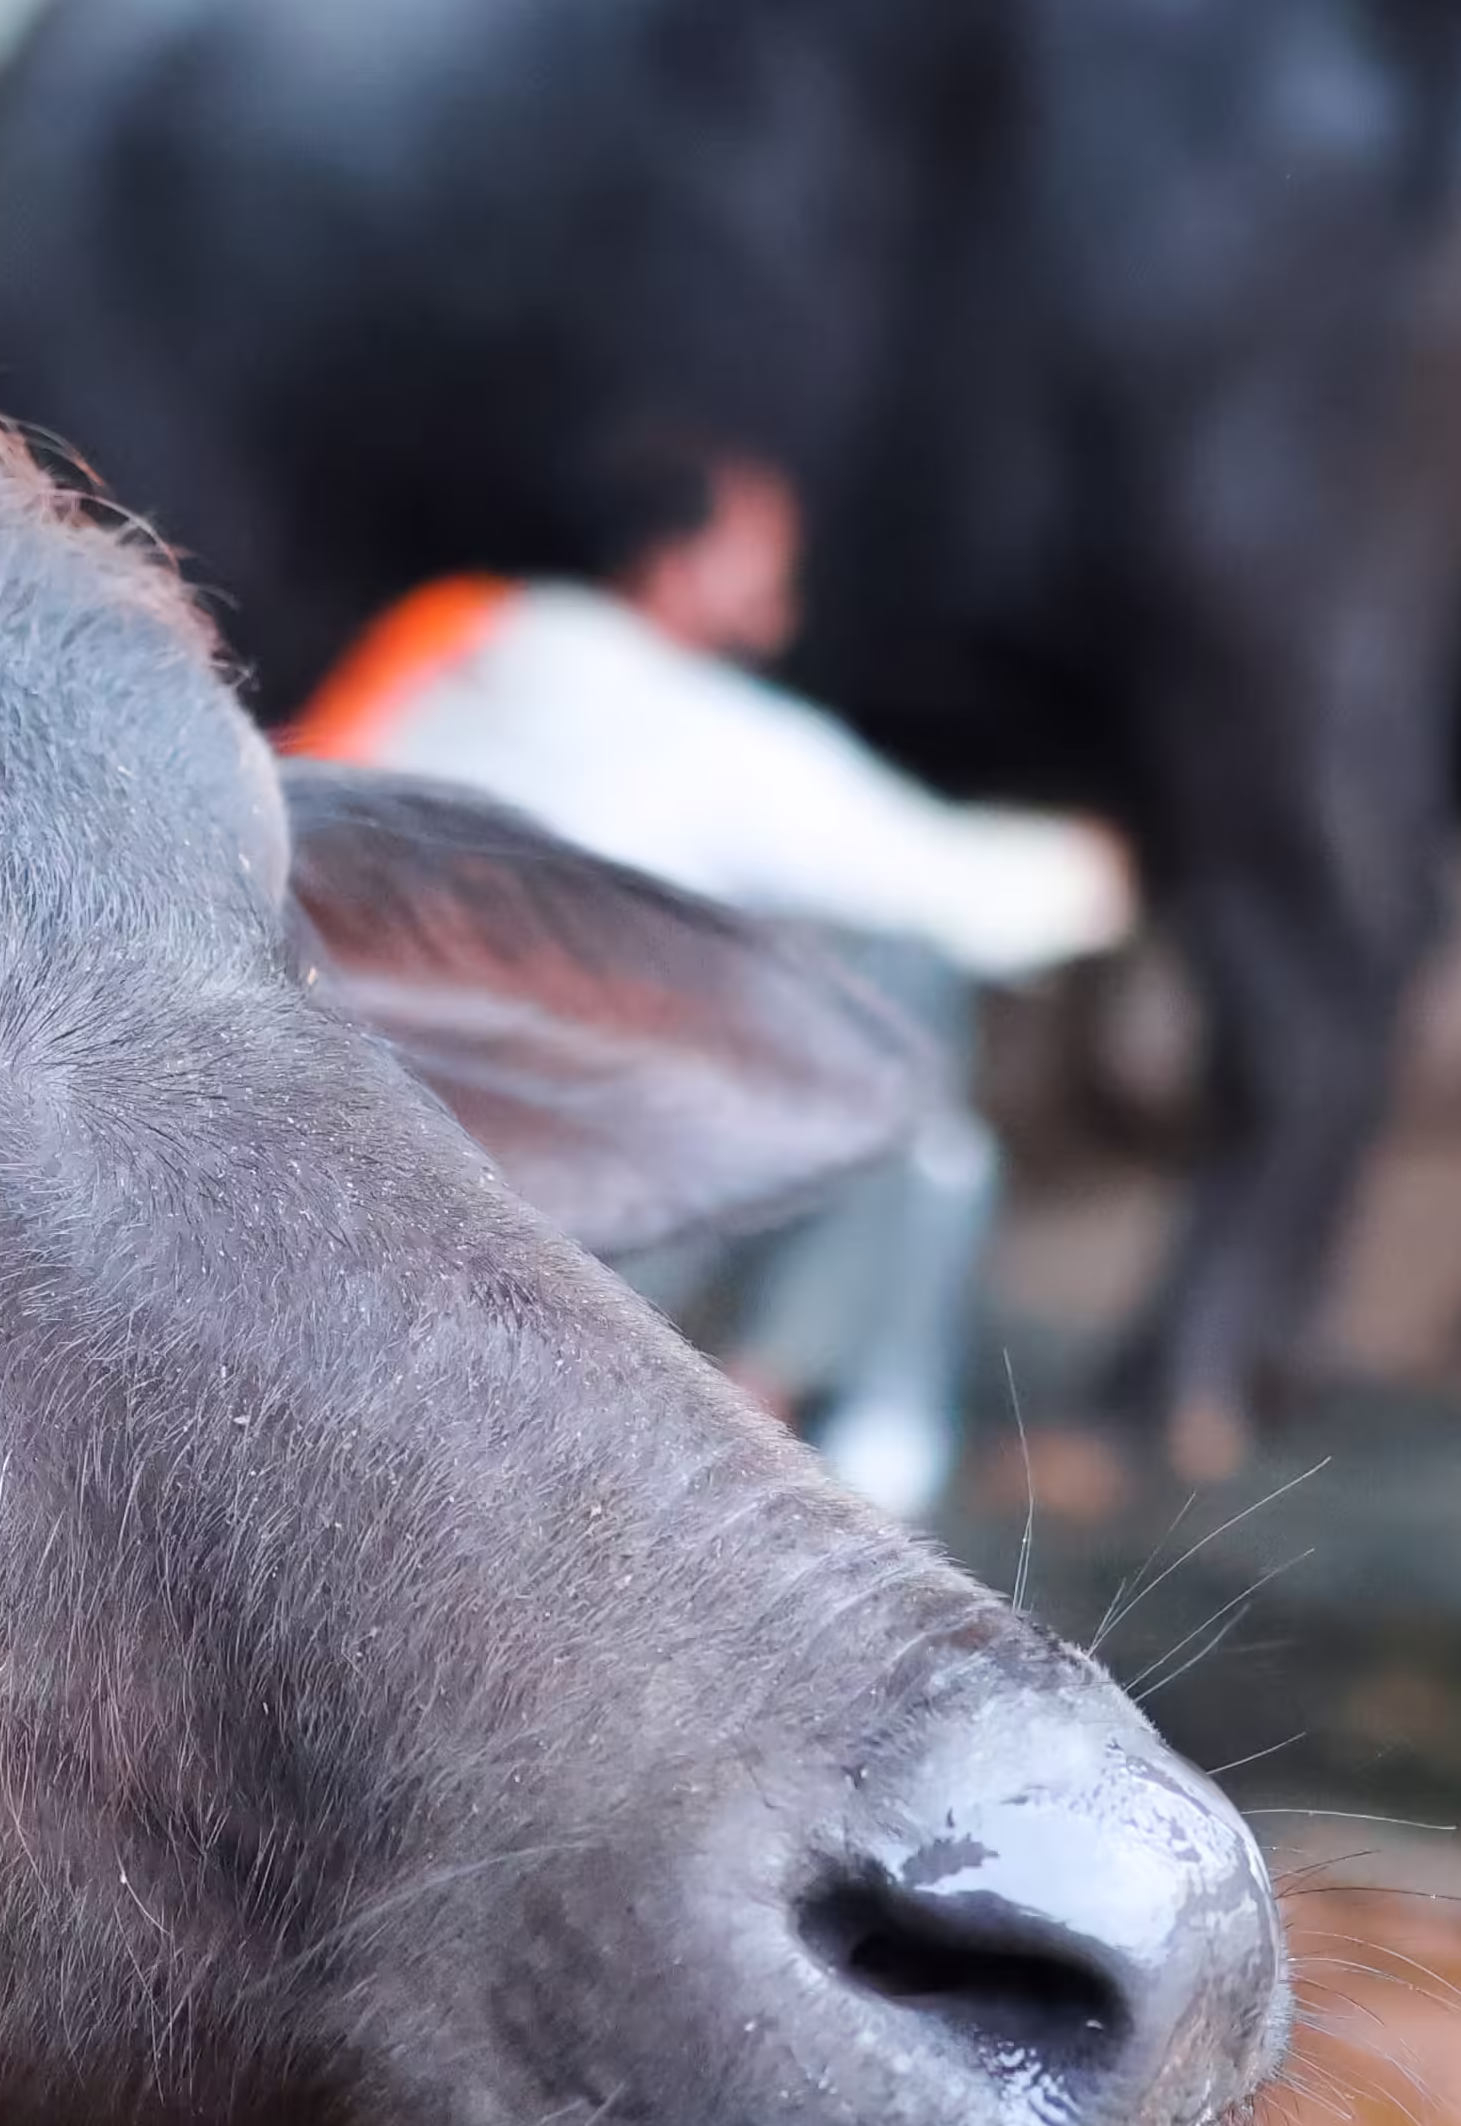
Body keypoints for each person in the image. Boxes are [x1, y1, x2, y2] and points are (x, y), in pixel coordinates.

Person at [287, 440, 1124, 1509]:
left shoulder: (446, 655)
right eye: (757, 553)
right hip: (551, 1229)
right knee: (899, 1018)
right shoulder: (690, 728)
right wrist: (1116, 862)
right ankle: (772, 1421)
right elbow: (967, 893)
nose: (784, 588)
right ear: (674, 565)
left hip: (328, 1186)